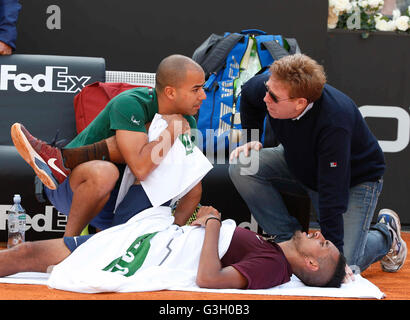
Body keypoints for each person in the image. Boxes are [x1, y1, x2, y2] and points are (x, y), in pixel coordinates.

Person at [229, 53, 407, 274]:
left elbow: (332, 194)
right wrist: (252, 138)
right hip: (298, 160)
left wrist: (333, 260)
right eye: (267, 89)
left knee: (342, 264)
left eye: (273, 97)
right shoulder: (272, 87)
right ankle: (290, 242)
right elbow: (248, 95)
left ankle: (386, 235)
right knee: (244, 165)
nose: (265, 98)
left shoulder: (334, 123)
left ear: (300, 103)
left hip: (354, 180)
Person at [11, 54, 207, 236]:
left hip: (121, 201)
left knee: (190, 178)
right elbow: (141, 168)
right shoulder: (131, 103)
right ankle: (68, 245)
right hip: (71, 185)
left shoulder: (187, 121)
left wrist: (174, 231)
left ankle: (164, 239)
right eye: (196, 89)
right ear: (170, 92)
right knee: (107, 171)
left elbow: (191, 186)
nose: (203, 96)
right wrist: (170, 132)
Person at [0, 205, 346, 290]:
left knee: (25, 254)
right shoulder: (270, 248)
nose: (318, 235)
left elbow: (209, 279)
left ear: (311, 265)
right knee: (23, 254)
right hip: (144, 240)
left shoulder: (274, 267)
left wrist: (212, 222)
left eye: (323, 244)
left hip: (140, 254)